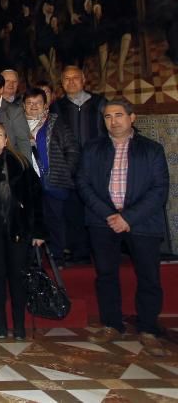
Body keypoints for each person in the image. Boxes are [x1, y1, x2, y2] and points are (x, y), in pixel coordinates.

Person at [77, 99, 169, 356]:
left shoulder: (151, 149)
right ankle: (111, 324)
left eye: (119, 115)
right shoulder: (92, 148)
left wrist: (128, 217)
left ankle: (148, 328)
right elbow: (83, 184)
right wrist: (109, 214)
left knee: (149, 277)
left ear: (132, 118)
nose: (113, 121)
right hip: (102, 221)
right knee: (106, 275)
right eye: (108, 116)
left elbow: (159, 190)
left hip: (142, 223)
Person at [0, 122, 45, 340]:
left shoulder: (20, 162)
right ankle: (0, 323)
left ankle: (19, 325)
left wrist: (38, 231)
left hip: (18, 229)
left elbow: (36, 198)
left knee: (17, 277)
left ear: (7, 139)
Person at [50, 65, 105, 265]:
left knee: (98, 207)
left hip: (97, 165)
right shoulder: (57, 107)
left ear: (83, 80)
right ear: (61, 83)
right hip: (68, 166)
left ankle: (99, 251)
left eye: (75, 78)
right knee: (72, 210)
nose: (71, 82)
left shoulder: (99, 103)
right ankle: (78, 251)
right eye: (66, 79)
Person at [23, 87, 78, 264]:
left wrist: (64, 170)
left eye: (38, 103)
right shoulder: (17, 124)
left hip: (53, 180)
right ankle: (32, 259)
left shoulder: (57, 123)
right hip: (27, 182)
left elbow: (72, 150)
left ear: (45, 105)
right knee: (30, 219)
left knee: (55, 218)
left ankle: (57, 256)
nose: (33, 107)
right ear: (23, 105)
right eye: (29, 103)